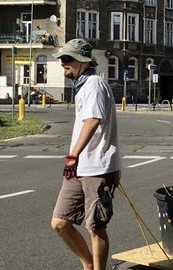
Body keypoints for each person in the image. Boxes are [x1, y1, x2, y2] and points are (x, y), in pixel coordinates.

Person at [51, 39, 121, 270]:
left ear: (82, 61)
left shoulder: (94, 85)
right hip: (80, 166)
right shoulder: (83, 85)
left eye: (67, 59)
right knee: (60, 222)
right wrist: (75, 159)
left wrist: (73, 155)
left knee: (95, 226)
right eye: (62, 59)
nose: (63, 63)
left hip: (98, 167)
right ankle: (88, 264)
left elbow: (93, 121)